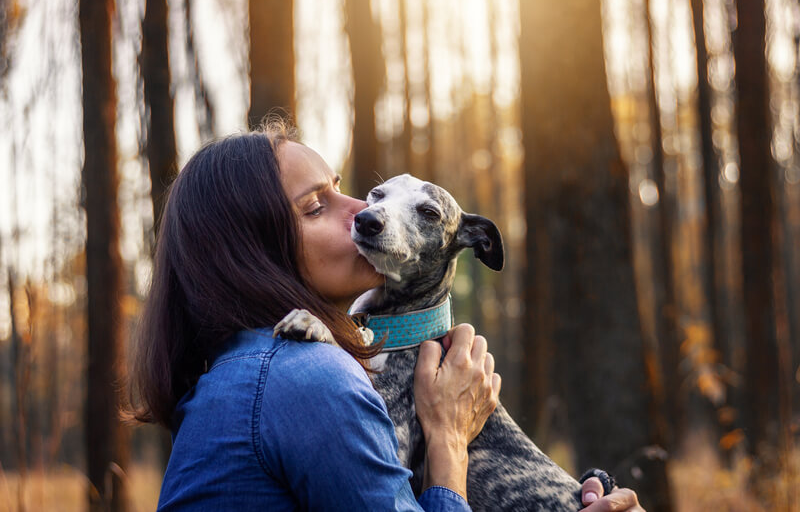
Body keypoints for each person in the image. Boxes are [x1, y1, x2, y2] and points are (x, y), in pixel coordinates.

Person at [127, 122, 645, 511]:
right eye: (315, 207)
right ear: (253, 252)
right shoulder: (307, 376)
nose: (362, 211)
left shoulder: (229, 372)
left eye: (343, 187)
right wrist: (447, 440)